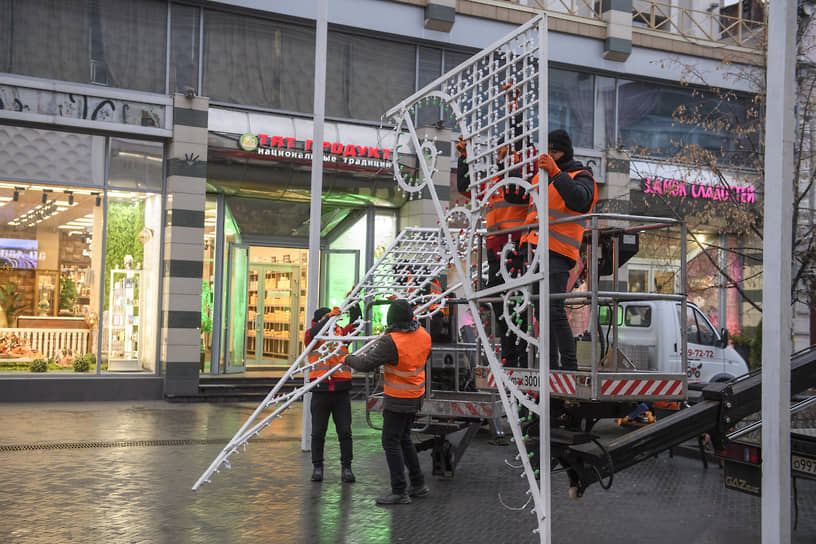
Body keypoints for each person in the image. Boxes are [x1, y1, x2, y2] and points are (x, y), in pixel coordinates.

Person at [517, 129, 597, 370]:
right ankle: (550, 364)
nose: (551, 155)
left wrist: (556, 172)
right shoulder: (538, 178)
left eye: (555, 151)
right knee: (542, 311)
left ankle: (569, 366)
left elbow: (579, 200)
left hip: (558, 251)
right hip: (535, 251)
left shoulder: (580, 175)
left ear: (565, 151)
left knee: (553, 308)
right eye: (548, 150)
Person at [457, 131, 536, 367]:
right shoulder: (494, 182)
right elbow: (465, 186)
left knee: (515, 306)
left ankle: (518, 357)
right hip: (496, 251)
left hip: (515, 250)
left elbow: (517, 191)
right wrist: (464, 158)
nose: (501, 155)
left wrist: (506, 162)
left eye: (508, 151)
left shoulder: (522, 179)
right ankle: (511, 356)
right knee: (500, 302)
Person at [343, 299, 432, 505]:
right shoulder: (424, 335)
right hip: (416, 396)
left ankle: (399, 490)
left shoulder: (392, 341)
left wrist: (347, 359)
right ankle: (418, 484)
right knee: (404, 439)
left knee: (390, 441)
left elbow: (365, 364)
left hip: (398, 398)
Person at [305, 303, 362, 484]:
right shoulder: (312, 334)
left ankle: (347, 468)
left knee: (345, 431)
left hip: (340, 391)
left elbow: (357, 324)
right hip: (320, 391)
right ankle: (318, 467)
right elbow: (314, 334)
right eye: (328, 317)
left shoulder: (340, 334)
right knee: (318, 433)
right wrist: (328, 319)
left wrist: (355, 305)